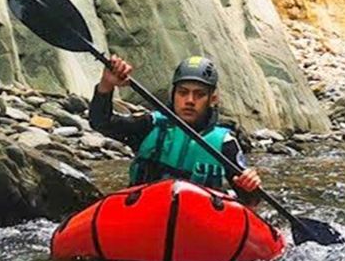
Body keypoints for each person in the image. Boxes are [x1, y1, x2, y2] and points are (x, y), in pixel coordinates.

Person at [88, 53, 261, 195]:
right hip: (144, 216)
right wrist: (106, 84)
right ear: (173, 94)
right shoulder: (151, 126)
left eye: (199, 94)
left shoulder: (225, 144)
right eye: (183, 93)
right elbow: (100, 122)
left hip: (196, 226)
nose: (190, 101)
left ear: (212, 99)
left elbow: (250, 201)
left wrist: (249, 186)